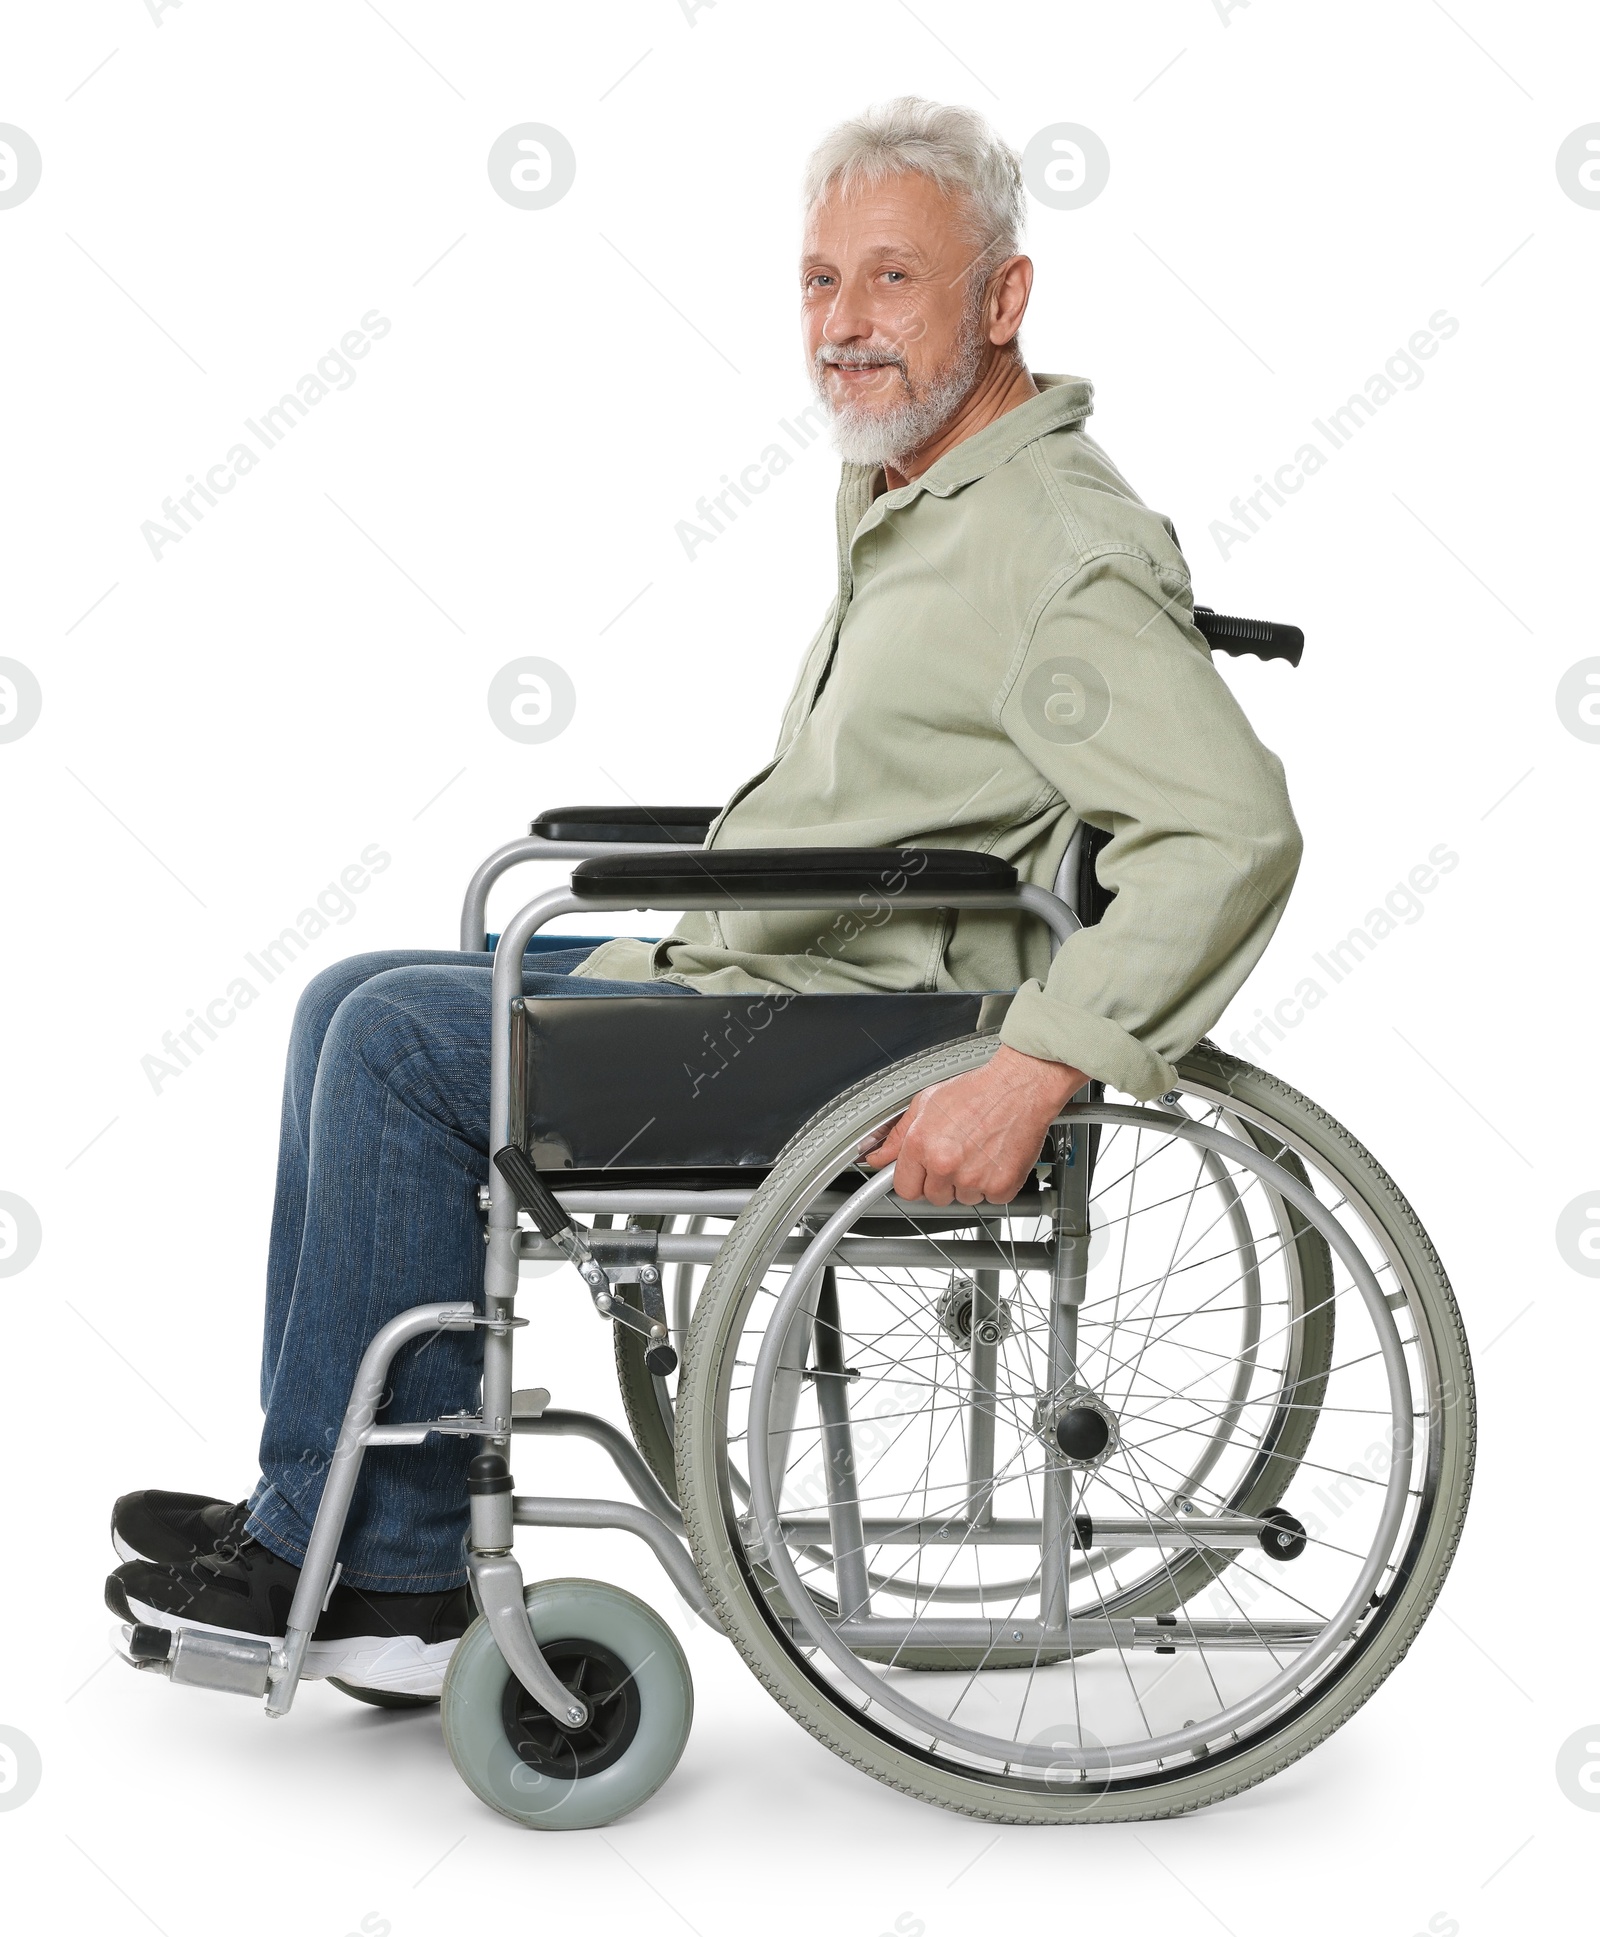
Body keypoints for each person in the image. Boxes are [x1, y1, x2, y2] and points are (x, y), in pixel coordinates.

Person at [106, 97, 1301, 1698]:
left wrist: (1039, 1061)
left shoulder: (1051, 546)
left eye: (892, 279)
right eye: (820, 284)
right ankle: (327, 1496)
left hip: (863, 1032)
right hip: (790, 981)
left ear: (1002, 299)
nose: (846, 324)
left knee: (398, 1036)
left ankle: (377, 1563)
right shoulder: (924, 492)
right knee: (354, 994)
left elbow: (1228, 827)